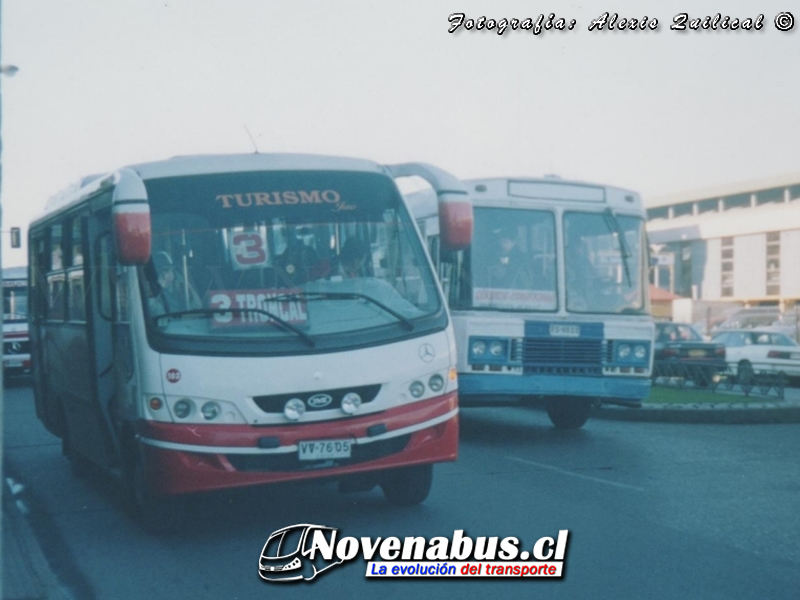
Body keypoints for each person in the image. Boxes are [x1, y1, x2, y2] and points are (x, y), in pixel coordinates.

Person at [149, 251, 202, 315]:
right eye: (160, 272)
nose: (164, 275)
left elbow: (197, 308)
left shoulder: (183, 287)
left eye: (167, 270)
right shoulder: (150, 291)